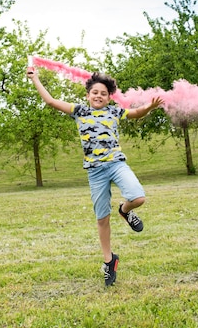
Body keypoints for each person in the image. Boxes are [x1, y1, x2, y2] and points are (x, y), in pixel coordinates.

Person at [27, 66, 163, 286]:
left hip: (116, 164)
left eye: (103, 93)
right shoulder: (79, 111)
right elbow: (51, 101)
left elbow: (136, 113)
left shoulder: (115, 111)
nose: (99, 96)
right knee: (102, 218)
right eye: (95, 92)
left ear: (109, 97)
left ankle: (125, 211)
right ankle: (109, 262)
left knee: (138, 197)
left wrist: (149, 107)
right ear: (87, 95)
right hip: (95, 171)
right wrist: (36, 79)